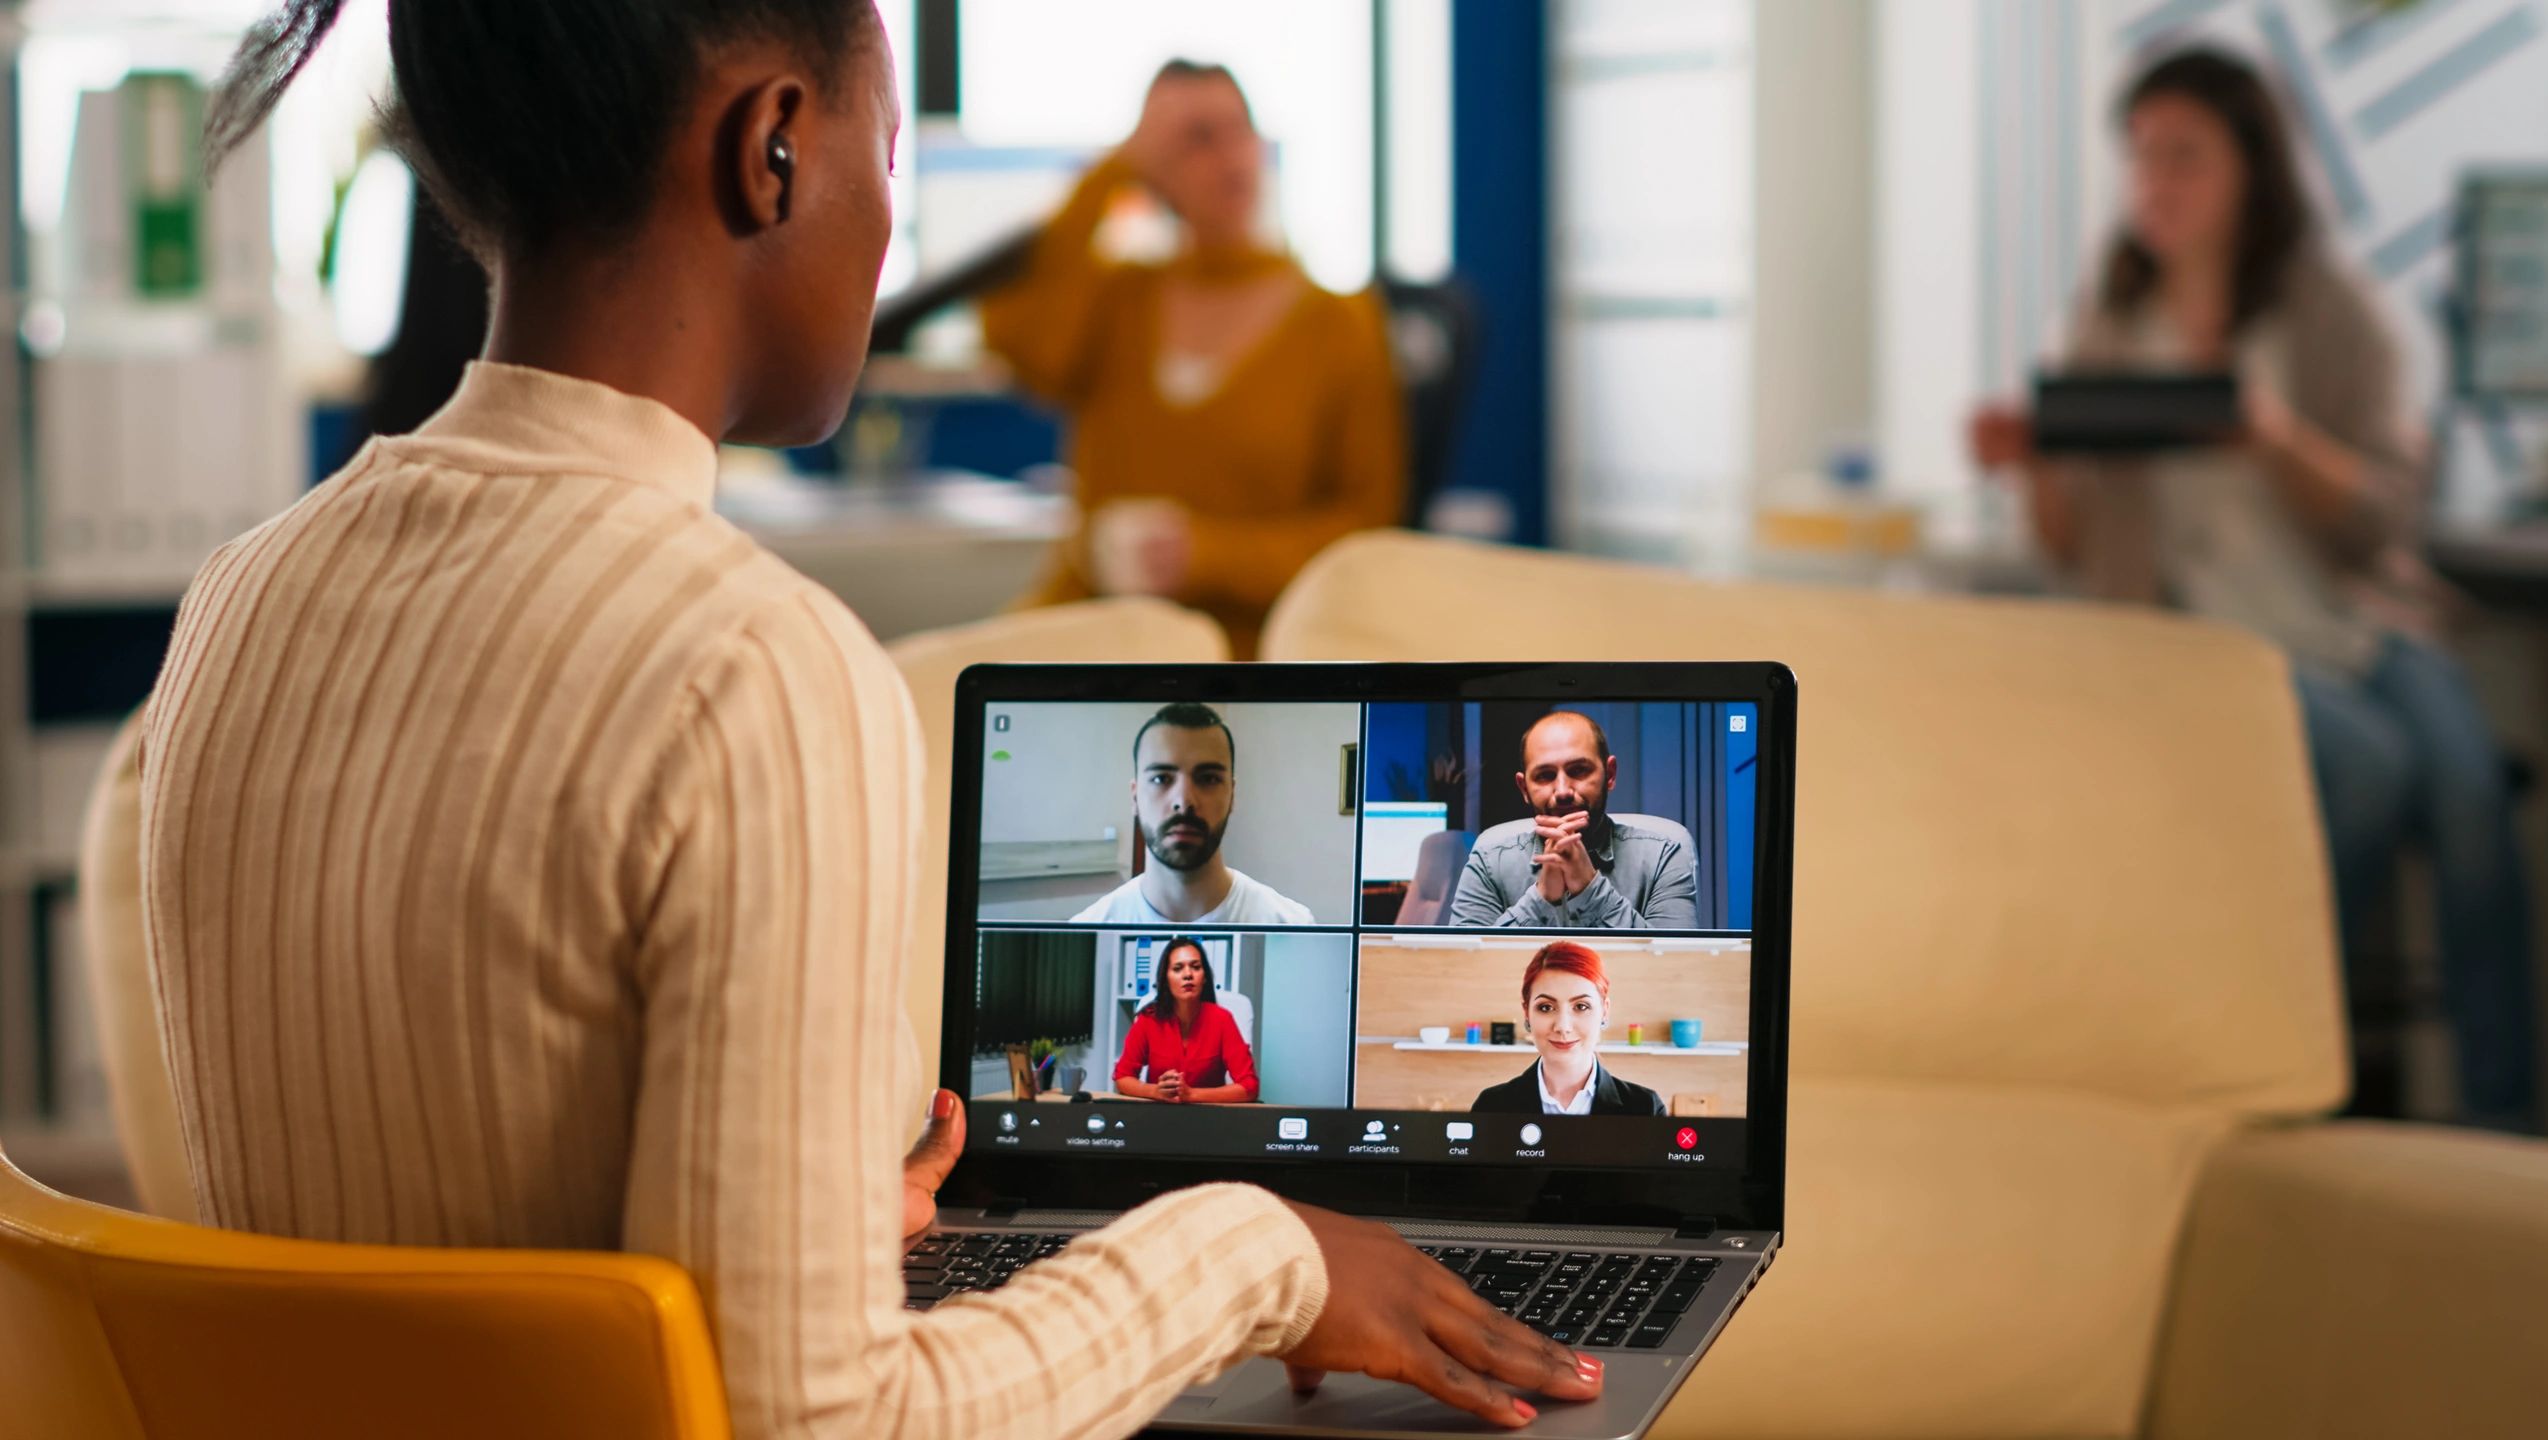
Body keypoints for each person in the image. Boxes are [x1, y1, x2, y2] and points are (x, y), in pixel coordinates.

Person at [145, 4, 1603, 1434]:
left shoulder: (241, 597)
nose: (888, 219)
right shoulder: (753, 670)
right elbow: (824, 1426)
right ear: (772, 147)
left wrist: (804, 1228)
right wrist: (1263, 1252)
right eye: (888, 152)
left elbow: (439, 1203)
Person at [1970, 47, 2537, 1130]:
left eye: (2184, 156)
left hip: (2355, 624)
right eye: (2140, 159)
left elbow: (2384, 515)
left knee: (2468, 800)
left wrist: (2271, 436)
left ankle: (2502, 1128)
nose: (2156, 185)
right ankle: (2290, 1074)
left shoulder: (2328, 311)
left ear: (2250, 167)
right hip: (2212, 648)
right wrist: (2034, 457)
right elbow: (2068, 551)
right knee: (2371, 771)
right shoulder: (2110, 321)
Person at [980, 60, 1407, 659]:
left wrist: (1206, 555)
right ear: (1154, 168)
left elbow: (1366, 531)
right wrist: (1112, 173)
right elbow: (1017, 341)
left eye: (1239, 130)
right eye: (1195, 140)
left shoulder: (1339, 324)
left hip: (1243, 651)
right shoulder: (1121, 300)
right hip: (1092, 629)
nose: (1228, 156)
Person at [1447, 712, 1701, 930]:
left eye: (1579, 770)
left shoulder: (1663, 854)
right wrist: (1541, 898)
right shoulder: (1490, 859)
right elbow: (1464, 968)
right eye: (1545, 776)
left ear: (1609, 775)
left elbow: (1677, 967)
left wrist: (1590, 889)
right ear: (1524, 788)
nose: (1563, 790)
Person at [1072, 702, 1317, 925]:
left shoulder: (1291, 924)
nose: (1183, 801)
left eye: (1208, 778)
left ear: (1232, 794)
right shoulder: (1087, 928)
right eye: (1161, 778)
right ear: (1135, 796)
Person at [1471, 943, 1665, 1117]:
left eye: (1581, 1006)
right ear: (1527, 1012)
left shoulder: (1645, 1108)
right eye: (1546, 1007)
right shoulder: (1491, 1106)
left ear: (1604, 1011)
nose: (1563, 1027)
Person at [1113, 938, 1257, 1103]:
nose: (1188, 975)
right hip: (1157, 1115)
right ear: (1166, 979)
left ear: (1204, 977)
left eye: (1195, 967)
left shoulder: (1222, 1019)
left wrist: (1191, 1095)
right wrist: (1155, 1091)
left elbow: (1250, 1086)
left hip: (1209, 1119)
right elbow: (1122, 1077)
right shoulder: (1148, 1019)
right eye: (1177, 968)